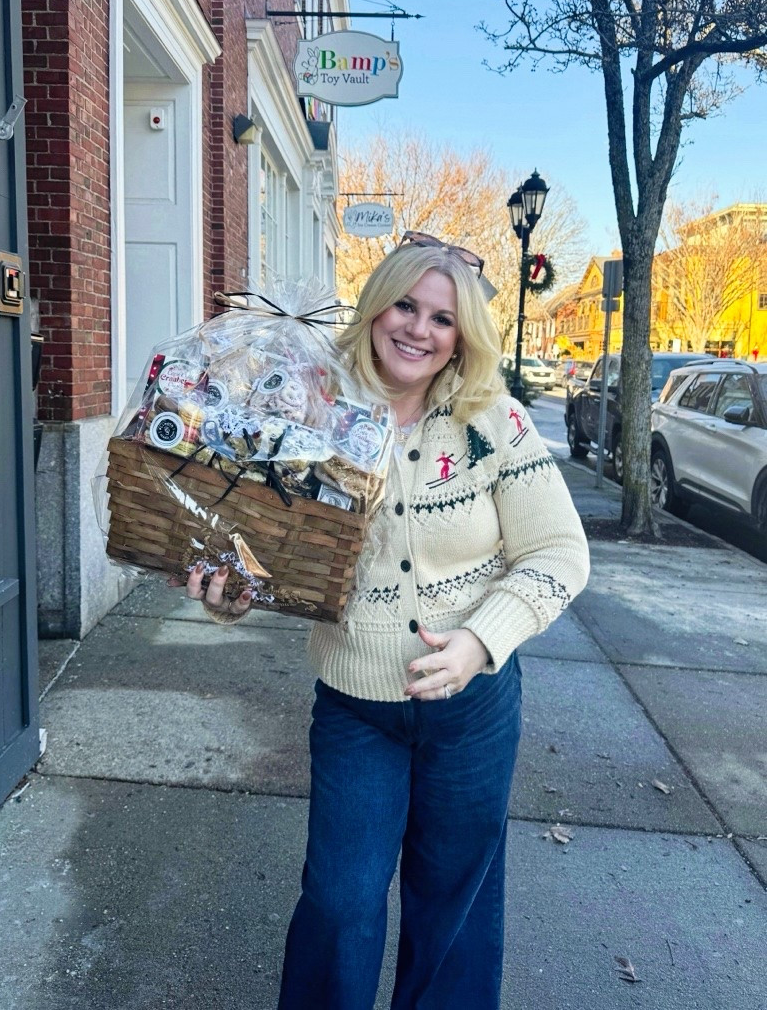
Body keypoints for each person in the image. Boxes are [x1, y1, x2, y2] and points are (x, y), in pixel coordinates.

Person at [184, 234, 590, 1009]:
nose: (418, 329)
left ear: (462, 335)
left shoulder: (493, 421)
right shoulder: (311, 410)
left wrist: (482, 640)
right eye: (405, 305)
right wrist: (234, 596)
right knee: (340, 903)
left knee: (454, 913)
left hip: (472, 713)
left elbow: (559, 553)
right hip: (357, 710)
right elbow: (266, 554)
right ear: (375, 308)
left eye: (442, 318)